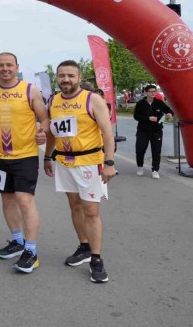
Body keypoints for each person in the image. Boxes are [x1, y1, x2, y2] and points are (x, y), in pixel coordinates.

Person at [43, 60, 116, 283]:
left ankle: (96, 259)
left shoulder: (92, 99)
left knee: (91, 211)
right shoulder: (53, 100)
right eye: (62, 75)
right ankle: (84, 247)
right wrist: (47, 156)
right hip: (65, 162)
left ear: (79, 77)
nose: (66, 79)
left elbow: (107, 132)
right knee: (74, 206)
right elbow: (53, 132)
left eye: (70, 75)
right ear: (57, 77)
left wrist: (109, 162)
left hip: (89, 162)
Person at [0, 52, 49, 274]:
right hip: (0, 157)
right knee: (7, 200)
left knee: (24, 201)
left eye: (9, 65)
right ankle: (18, 241)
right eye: (0, 65)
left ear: (16, 66)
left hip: (25, 156)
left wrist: (42, 132)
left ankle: (31, 251)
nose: (5, 68)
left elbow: (45, 118)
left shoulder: (30, 90)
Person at [133, 84, 174, 179]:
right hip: (143, 131)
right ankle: (140, 167)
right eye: (151, 91)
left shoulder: (159, 103)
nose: (153, 93)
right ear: (146, 92)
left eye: (154, 91)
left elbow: (169, 111)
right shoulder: (140, 103)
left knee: (156, 151)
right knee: (140, 149)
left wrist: (169, 114)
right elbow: (136, 116)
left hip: (156, 130)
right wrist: (148, 118)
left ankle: (155, 170)